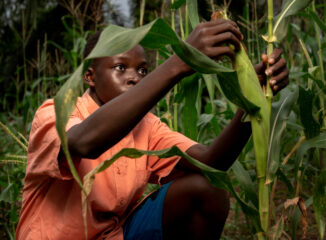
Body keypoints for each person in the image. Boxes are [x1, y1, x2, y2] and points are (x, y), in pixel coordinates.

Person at [16, 19, 289, 240]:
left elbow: (213, 161)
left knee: (206, 186)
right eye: (120, 67)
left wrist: (253, 96)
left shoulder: (146, 127)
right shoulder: (55, 113)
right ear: (89, 76)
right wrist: (180, 62)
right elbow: (85, 141)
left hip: (116, 236)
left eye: (143, 70)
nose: (134, 77)